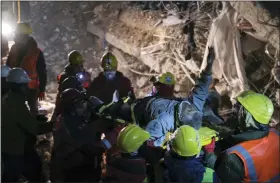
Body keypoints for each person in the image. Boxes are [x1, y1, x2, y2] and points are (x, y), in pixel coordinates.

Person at [204, 90, 279, 183]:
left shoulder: (234, 156)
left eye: (240, 109)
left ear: (247, 116)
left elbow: (217, 180)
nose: (236, 112)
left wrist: (209, 155)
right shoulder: (276, 134)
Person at [1, 68, 54, 182]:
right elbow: (35, 129)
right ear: (18, 86)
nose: (28, 87)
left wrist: (35, 119)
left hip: (9, 147)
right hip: (15, 150)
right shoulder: (16, 104)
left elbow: (23, 121)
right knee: (33, 174)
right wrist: (54, 125)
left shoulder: (10, 99)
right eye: (25, 85)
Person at [50, 88, 104, 182]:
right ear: (73, 104)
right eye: (80, 103)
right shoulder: (69, 122)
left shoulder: (67, 116)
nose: (83, 105)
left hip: (66, 164)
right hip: (72, 166)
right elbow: (86, 143)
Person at [6, 22, 47, 116]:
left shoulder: (36, 52)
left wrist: (42, 89)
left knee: (33, 111)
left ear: (23, 35)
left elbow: (42, 71)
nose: (15, 35)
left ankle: (32, 127)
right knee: (15, 111)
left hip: (30, 88)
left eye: (16, 33)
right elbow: (8, 66)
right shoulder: (14, 48)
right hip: (15, 86)